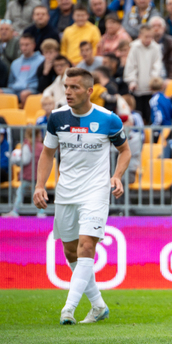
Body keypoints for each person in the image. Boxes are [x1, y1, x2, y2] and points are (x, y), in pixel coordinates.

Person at [33, 67, 131, 325]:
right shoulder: (56, 118)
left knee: (87, 245)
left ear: (89, 91)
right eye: (66, 86)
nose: (68, 92)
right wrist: (40, 185)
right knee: (70, 250)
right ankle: (98, 305)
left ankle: (69, 308)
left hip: (96, 191)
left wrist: (117, 175)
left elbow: (125, 151)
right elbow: (47, 153)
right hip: (66, 192)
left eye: (74, 87)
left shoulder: (108, 119)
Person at [124, 24, 163, 124]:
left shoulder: (156, 48)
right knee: (139, 115)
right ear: (140, 36)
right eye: (146, 36)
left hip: (150, 89)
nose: (148, 39)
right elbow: (131, 65)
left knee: (150, 115)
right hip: (137, 88)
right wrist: (132, 81)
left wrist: (154, 81)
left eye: (150, 37)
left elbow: (157, 65)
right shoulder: (134, 47)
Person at [2, 128, 46, 218]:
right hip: (38, 176)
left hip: (28, 176)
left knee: (20, 193)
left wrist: (16, 160)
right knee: (39, 195)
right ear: (38, 135)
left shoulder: (27, 146)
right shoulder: (42, 147)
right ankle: (41, 212)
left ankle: (15, 211)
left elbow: (25, 160)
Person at [0, 33, 45, 104]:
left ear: (33, 45)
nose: (24, 48)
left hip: (33, 90)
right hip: (15, 91)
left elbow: (43, 82)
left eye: (27, 45)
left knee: (24, 94)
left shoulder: (42, 60)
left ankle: (23, 114)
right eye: (22, 45)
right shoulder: (15, 63)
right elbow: (10, 83)